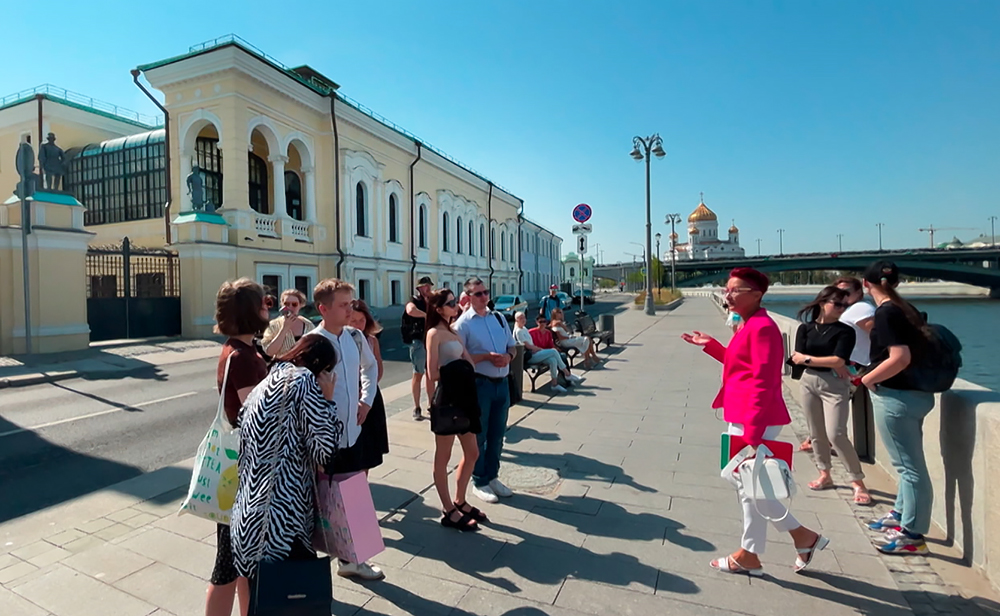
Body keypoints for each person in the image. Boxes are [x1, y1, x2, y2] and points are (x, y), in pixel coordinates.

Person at [682, 267, 828, 576]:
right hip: (743, 412)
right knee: (750, 483)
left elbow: (763, 381)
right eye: (727, 289)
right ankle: (791, 540)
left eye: (735, 290)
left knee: (745, 482)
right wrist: (710, 344)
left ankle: (765, 548)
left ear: (757, 295)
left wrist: (753, 430)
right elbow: (740, 365)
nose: (727, 294)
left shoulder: (762, 327)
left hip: (753, 415)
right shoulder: (749, 324)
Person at [231, 335, 345, 581]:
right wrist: (328, 400)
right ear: (320, 366)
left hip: (249, 514)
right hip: (283, 520)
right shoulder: (303, 380)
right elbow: (326, 450)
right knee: (293, 599)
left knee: (263, 599)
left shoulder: (266, 383)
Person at [310, 279, 384, 580]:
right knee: (324, 505)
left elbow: (370, 367)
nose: (350, 310)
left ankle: (357, 560)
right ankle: (327, 561)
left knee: (357, 497)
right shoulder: (314, 343)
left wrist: (366, 400)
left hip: (353, 433)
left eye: (351, 303)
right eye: (343, 305)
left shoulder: (354, 336)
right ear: (323, 309)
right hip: (325, 440)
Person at [861, 261, 936, 555]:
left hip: (897, 397)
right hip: (916, 394)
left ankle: (912, 536)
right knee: (907, 465)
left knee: (910, 468)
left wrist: (868, 378)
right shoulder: (906, 309)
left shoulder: (886, 312)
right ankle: (900, 515)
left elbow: (900, 357)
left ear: (866, 285)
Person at [208, 278, 270, 616]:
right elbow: (256, 415)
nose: (268, 308)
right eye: (264, 303)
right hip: (244, 470)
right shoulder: (243, 356)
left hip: (242, 467)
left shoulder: (245, 349)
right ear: (251, 311)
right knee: (229, 563)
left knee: (243, 561)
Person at [789, 286, 871, 505]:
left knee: (836, 433)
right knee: (816, 432)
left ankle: (857, 481)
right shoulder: (806, 329)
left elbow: (838, 361)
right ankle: (824, 473)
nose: (842, 309)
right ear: (822, 303)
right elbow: (796, 356)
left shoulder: (845, 331)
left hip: (834, 383)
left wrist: (806, 359)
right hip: (809, 381)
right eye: (838, 304)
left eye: (846, 305)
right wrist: (809, 360)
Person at [425, 288, 486, 531]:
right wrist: (459, 370)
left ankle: (460, 500)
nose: (455, 306)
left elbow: (469, 362)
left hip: (465, 398)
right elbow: (432, 372)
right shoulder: (434, 333)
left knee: (473, 453)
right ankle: (448, 508)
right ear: (439, 309)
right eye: (450, 304)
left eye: (454, 302)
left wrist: (474, 363)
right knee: (443, 456)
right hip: (448, 399)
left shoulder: (453, 331)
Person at [454, 277, 517, 505]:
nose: (484, 297)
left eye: (486, 292)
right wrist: (486, 358)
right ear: (468, 297)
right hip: (480, 385)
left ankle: (492, 476)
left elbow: (512, 346)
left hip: (502, 384)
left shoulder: (499, 318)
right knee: (479, 436)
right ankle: (479, 480)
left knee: (498, 434)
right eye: (478, 293)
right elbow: (460, 358)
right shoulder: (463, 325)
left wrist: (508, 357)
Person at [800, 277, 875, 454]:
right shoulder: (847, 309)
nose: (843, 297)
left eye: (847, 293)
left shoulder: (861, 308)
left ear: (859, 293)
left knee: (834, 410)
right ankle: (817, 440)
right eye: (838, 293)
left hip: (854, 366)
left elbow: (878, 335)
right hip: (840, 365)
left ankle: (828, 443)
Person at [349, 299, 390, 471]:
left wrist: (366, 389)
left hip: (368, 396)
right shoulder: (343, 340)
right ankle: (354, 492)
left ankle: (361, 491)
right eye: (354, 321)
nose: (358, 325)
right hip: (350, 396)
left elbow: (377, 369)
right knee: (352, 451)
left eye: (362, 320)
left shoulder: (371, 340)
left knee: (368, 450)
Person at [512, 311, 583, 393]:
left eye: (524, 317)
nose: (523, 320)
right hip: (529, 356)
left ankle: (554, 384)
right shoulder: (518, 331)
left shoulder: (523, 328)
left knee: (552, 360)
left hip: (534, 353)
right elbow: (528, 346)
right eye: (521, 318)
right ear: (516, 320)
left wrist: (538, 349)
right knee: (553, 352)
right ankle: (567, 374)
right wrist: (540, 349)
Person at [402, 277, 434, 420]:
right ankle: (416, 406)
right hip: (418, 341)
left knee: (431, 374)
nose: (427, 289)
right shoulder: (414, 300)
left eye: (429, 286)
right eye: (425, 286)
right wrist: (426, 315)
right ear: (419, 289)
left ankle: (431, 405)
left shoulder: (433, 301)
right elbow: (410, 311)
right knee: (418, 373)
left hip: (431, 340)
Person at [261, 289, 314, 359]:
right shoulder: (273, 325)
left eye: (294, 304)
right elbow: (269, 352)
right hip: (283, 366)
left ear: (300, 305)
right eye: (286, 304)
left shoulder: (308, 324)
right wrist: (284, 328)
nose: (290, 307)